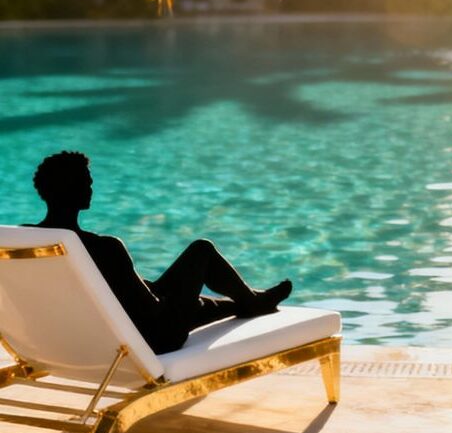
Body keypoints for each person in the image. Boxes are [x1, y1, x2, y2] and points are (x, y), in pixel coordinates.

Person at [27, 151, 292, 354]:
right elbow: (151, 310)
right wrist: (189, 299)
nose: (91, 189)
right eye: (86, 183)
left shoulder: (24, 242)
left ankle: (248, 302)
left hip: (80, 338)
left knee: (175, 291)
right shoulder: (105, 247)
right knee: (201, 250)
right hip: (153, 339)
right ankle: (253, 302)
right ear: (71, 189)